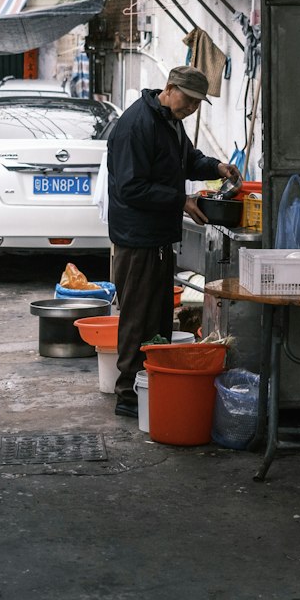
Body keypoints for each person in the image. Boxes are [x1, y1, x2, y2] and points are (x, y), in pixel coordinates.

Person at [107, 65, 240, 418]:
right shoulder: (137, 124)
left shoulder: (170, 121)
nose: (192, 108)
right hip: (137, 238)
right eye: (189, 100)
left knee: (159, 317)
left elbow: (187, 160)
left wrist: (216, 168)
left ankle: (154, 383)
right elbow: (130, 187)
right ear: (169, 88)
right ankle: (128, 393)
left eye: (198, 103)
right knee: (138, 316)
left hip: (160, 235)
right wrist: (181, 201)